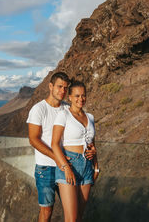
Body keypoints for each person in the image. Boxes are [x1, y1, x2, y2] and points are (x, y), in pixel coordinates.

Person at [27, 72, 97, 222]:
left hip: (69, 165)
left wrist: (90, 151)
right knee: (47, 210)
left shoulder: (67, 108)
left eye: (65, 88)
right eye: (59, 87)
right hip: (47, 166)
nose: (62, 91)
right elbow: (33, 139)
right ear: (50, 86)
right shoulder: (38, 109)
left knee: (74, 212)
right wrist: (59, 159)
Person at [51, 80, 99, 222]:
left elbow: (92, 144)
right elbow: (54, 144)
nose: (81, 99)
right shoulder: (63, 115)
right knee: (71, 219)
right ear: (70, 97)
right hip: (70, 164)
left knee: (78, 217)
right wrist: (65, 167)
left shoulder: (90, 117)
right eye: (77, 96)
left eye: (83, 95)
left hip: (87, 167)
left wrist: (96, 167)